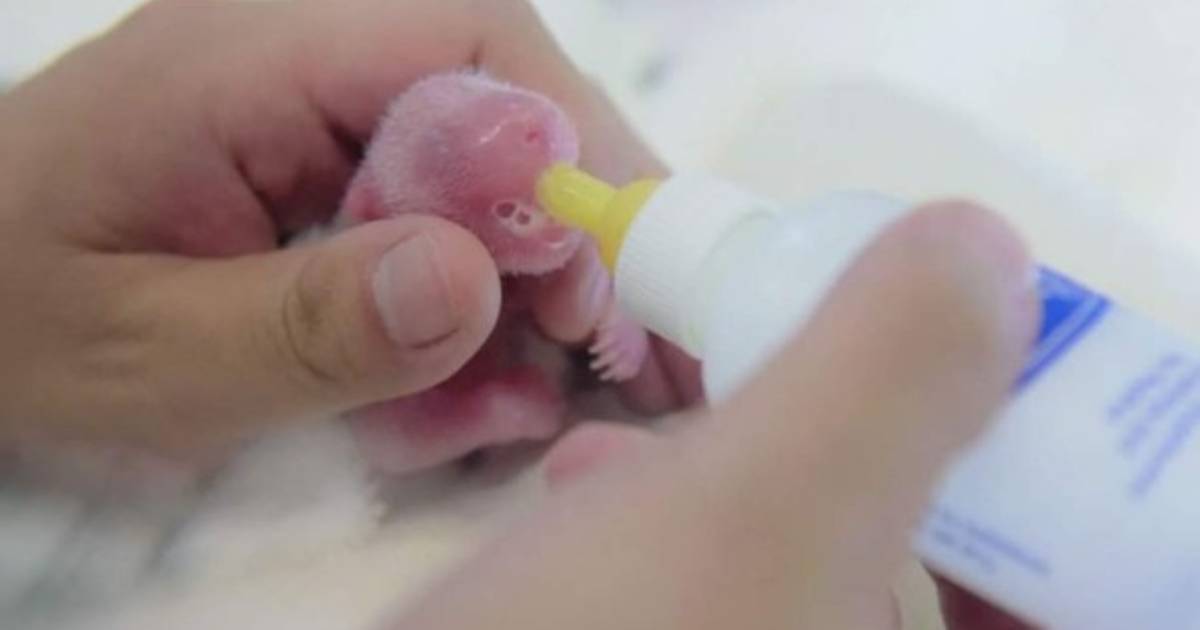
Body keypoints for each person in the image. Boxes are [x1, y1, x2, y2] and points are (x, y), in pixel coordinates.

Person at [0, 1, 1036, 628]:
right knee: (473, 400)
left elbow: (577, 272)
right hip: (429, 410)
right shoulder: (392, 246)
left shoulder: (528, 210)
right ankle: (497, 411)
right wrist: (495, 397)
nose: (560, 195)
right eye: (517, 211)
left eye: (545, 136)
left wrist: (606, 313)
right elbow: (405, 406)